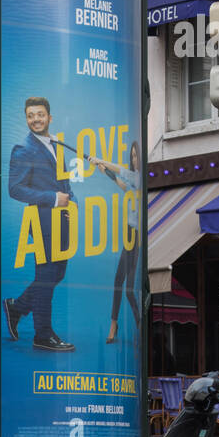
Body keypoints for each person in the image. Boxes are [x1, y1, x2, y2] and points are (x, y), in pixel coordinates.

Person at [4, 97, 75, 352]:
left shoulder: (55, 143)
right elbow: (14, 189)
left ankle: (17, 307)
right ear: (26, 118)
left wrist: (71, 205)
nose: (35, 119)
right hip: (43, 221)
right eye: (30, 115)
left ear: (49, 117)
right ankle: (42, 335)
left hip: (62, 221)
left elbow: (64, 182)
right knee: (45, 277)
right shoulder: (23, 148)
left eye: (40, 114)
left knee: (57, 274)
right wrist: (53, 198)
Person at [92, 141, 141, 345]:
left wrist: (99, 161)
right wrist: (104, 171)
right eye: (132, 156)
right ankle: (113, 324)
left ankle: (140, 324)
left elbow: (120, 171)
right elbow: (121, 184)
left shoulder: (140, 178)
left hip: (137, 236)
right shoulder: (133, 182)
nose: (134, 159)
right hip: (129, 234)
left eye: (136, 155)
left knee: (130, 289)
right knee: (117, 281)